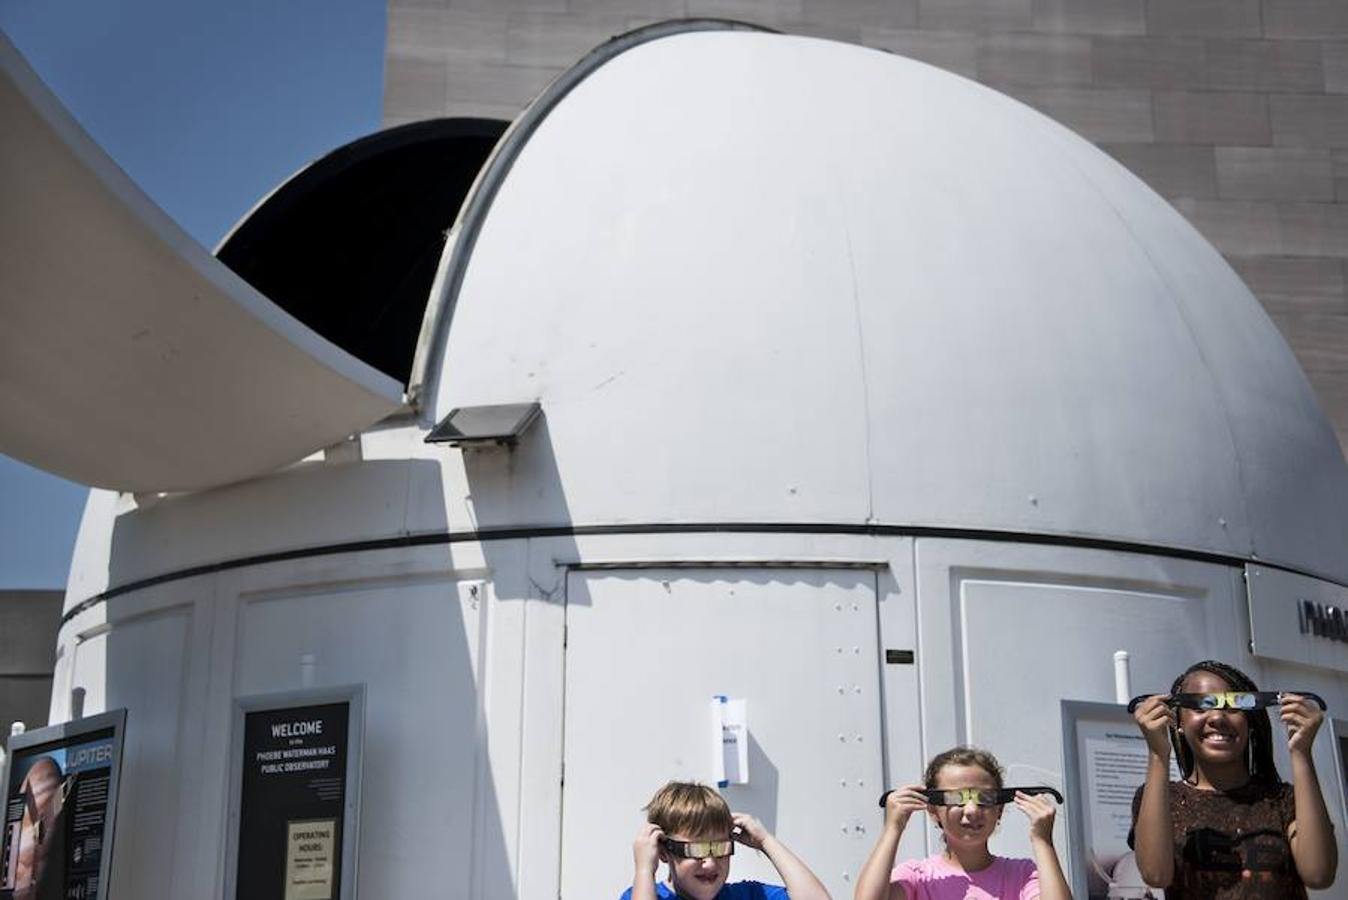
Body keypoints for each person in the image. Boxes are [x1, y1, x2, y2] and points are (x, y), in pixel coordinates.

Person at [1129, 659, 1337, 898]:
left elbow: (1319, 874)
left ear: (1250, 721)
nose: (1217, 717)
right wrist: (1157, 754)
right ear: (1178, 723)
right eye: (1201, 705)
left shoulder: (1282, 800)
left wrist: (1301, 752)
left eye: (1234, 705)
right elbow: (1156, 874)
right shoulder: (1163, 799)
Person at [853, 746, 1070, 900]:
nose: (972, 810)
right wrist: (893, 828)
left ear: (1000, 809)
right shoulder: (918, 877)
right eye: (956, 799)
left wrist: (1043, 841)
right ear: (932, 810)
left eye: (984, 799)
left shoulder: (1021, 875)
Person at [622, 781, 832, 900]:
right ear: (663, 851)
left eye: (720, 847)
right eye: (696, 850)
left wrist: (766, 841)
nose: (711, 863)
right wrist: (644, 871)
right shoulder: (644, 894)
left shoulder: (747, 896)